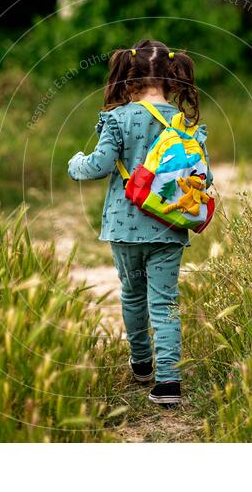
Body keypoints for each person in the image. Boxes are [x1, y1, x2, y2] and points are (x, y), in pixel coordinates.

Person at [67, 39, 212, 406]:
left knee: (132, 295)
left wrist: (75, 162)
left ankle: (142, 364)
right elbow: (203, 178)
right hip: (169, 226)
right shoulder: (183, 125)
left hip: (124, 227)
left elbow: (98, 166)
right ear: (170, 80)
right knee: (164, 303)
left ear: (129, 82)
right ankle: (168, 383)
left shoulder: (116, 119)